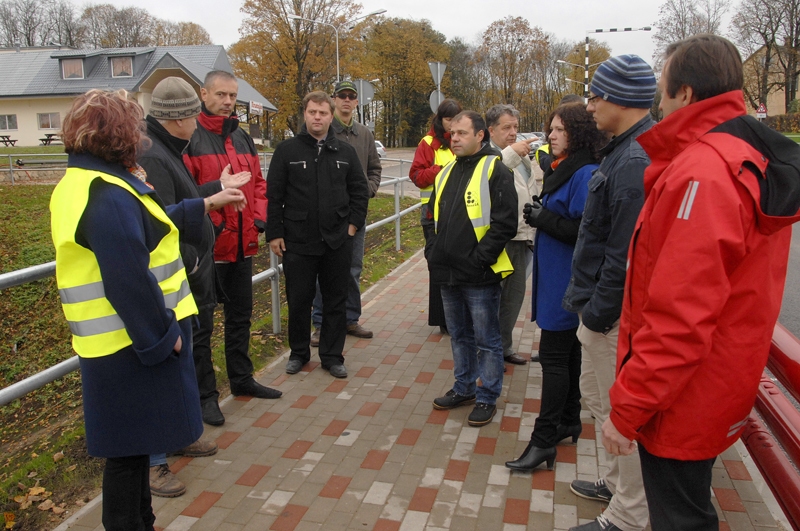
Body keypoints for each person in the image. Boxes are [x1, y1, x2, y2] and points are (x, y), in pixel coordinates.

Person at [604, 34, 800, 530]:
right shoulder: (737, 153)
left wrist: (627, 408)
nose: (658, 101)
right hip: (714, 386)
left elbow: (679, 317)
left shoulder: (703, 172)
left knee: (680, 517)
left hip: (682, 400)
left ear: (686, 94)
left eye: (662, 89)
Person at [50, 88, 246, 530]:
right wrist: (163, 340)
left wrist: (204, 202)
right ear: (118, 134)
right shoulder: (106, 192)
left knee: (132, 450)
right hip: (132, 347)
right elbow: (128, 281)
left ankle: (142, 521)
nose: (141, 136)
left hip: (115, 345)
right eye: (135, 127)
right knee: (126, 456)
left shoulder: (86, 182)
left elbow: (147, 223)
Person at [138, 77, 262, 497]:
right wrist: (211, 202)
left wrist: (215, 188)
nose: (199, 121)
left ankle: (181, 433)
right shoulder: (154, 156)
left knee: (183, 359)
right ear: (178, 119)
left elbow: (183, 197)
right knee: (169, 363)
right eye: (193, 114)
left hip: (188, 270)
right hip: (172, 280)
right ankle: (157, 462)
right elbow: (158, 218)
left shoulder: (168, 149)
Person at [561, 56, 656, 531]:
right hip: (600, 312)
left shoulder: (635, 159)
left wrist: (597, 316)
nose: (590, 104)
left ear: (621, 98)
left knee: (620, 417)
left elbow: (623, 254)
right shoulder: (624, 150)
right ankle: (618, 487)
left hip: (611, 318)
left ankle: (628, 515)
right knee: (600, 404)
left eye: (596, 95)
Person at [505, 102, 607, 471]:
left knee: (554, 357)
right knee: (568, 354)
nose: (550, 135)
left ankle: (544, 438)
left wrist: (543, 218)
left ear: (578, 133)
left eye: (559, 130)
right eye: (551, 128)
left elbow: (586, 231)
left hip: (568, 281)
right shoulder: (567, 168)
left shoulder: (584, 173)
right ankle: (568, 420)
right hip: (558, 277)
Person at [184, 70, 281, 400]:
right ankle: (206, 396)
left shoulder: (242, 138)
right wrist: (214, 223)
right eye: (221, 95)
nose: (227, 102)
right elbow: (185, 194)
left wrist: (259, 220)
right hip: (207, 251)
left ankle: (242, 379)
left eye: (232, 96)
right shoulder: (191, 138)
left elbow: (259, 185)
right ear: (204, 94)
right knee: (203, 327)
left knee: (240, 318)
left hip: (243, 245)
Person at [266, 91, 370, 379]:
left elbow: (359, 192)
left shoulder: (345, 153)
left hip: (337, 240)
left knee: (336, 300)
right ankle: (299, 354)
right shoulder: (287, 152)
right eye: (312, 112)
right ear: (305, 114)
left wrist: (352, 226)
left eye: (323, 113)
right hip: (298, 240)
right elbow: (273, 196)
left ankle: (332, 356)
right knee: (299, 299)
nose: (318, 118)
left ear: (331, 114)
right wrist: (274, 233)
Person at [428, 110, 517, 427]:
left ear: (481, 135)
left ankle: (487, 396)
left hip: (479, 276)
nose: (454, 138)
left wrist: (479, 259)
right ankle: (464, 388)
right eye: (452, 133)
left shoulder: (495, 169)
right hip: (447, 274)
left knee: (486, 339)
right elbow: (430, 219)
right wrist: (432, 252)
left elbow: (505, 223)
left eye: (462, 133)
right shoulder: (445, 172)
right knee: (459, 336)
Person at [310, 80, 383, 346]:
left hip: (356, 213)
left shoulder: (364, 134)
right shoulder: (325, 130)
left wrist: (369, 189)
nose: (347, 100)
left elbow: (374, 167)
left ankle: (350, 318)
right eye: (342, 96)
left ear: (356, 102)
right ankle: (321, 323)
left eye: (351, 96)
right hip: (328, 215)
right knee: (324, 270)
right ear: (334, 99)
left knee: (353, 268)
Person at [485, 104, 539, 366]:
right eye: (506, 127)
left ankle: (504, 345)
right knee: (494, 298)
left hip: (522, 236)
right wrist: (510, 154)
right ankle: (489, 349)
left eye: (516, 127)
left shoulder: (523, 158)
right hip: (500, 239)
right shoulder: (488, 155)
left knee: (514, 297)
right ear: (491, 130)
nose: (513, 132)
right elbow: (489, 178)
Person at [409, 98, 462, 333]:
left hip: (457, 212)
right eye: (448, 119)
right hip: (432, 215)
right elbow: (417, 177)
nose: (452, 125)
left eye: (455, 119)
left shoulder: (463, 140)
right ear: (440, 120)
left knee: (457, 262)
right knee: (438, 264)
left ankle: (457, 315)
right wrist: (440, 171)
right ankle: (442, 319)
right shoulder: (428, 143)